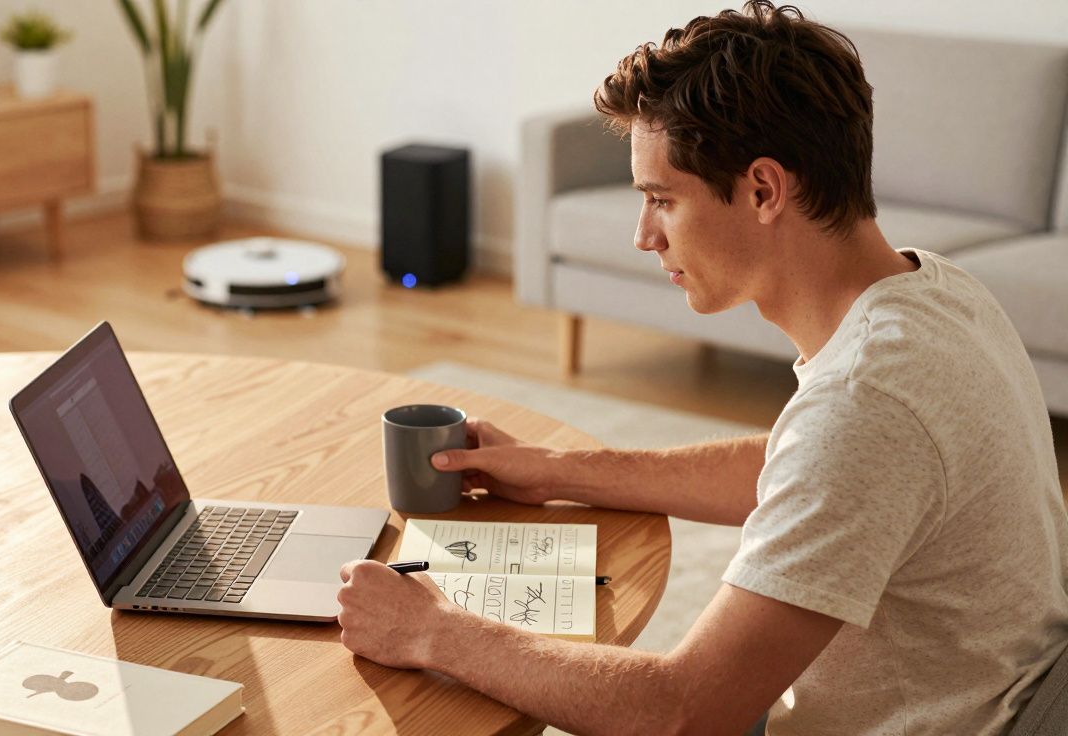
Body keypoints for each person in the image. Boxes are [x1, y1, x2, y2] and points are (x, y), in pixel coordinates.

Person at [335, 2, 1068, 734]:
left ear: (763, 190)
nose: (643, 235)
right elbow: (805, 470)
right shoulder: (934, 290)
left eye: (662, 199)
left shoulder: (866, 402)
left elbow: (683, 712)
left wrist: (433, 632)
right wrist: (559, 470)